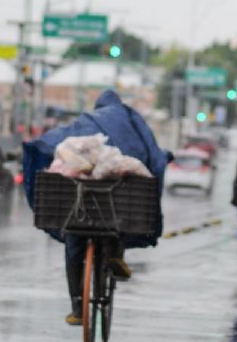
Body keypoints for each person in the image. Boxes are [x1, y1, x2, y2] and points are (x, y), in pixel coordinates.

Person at [23, 89, 171, 326]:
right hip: (112, 208)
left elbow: (57, 140)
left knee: (73, 249)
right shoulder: (129, 120)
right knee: (118, 220)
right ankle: (115, 255)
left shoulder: (86, 122)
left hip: (77, 210)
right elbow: (148, 150)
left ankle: (77, 308)